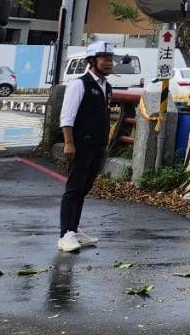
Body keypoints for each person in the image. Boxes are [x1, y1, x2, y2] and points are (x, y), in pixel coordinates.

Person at [58, 40, 115, 253]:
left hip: (98, 146)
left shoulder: (106, 86)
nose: (109, 63)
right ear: (93, 61)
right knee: (73, 189)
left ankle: (74, 228)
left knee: (84, 189)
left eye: (111, 59)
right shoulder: (79, 84)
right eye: (105, 59)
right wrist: (69, 143)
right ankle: (65, 234)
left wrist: (106, 144)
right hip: (81, 145)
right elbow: (67, 117)